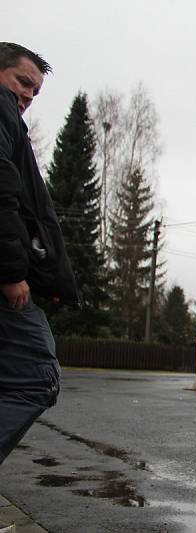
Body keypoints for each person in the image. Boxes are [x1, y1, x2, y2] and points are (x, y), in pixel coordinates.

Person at [0, 43, 79, 465]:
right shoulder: (1, 110)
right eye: (23, 82)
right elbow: (3, 192)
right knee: (35, 377)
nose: (28, 96)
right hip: (6, 278)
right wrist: (14, 272)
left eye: (35, 92)